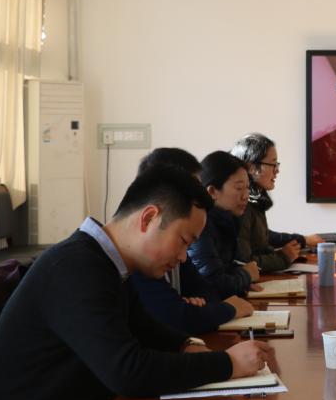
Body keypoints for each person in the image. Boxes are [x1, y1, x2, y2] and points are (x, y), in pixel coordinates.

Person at [0, 167, 274, 400]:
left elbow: (144, 327)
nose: (183, 257)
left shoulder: (107, 263)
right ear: (148, 218)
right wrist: (227, 364)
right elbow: (127, 371)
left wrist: (186, 344)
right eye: (183, 241)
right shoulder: (76, 268)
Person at [130, 148, 253, 333]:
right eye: (193, 189)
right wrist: (229, 308)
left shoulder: (179, 242)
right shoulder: (140, 253)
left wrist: (195, 306)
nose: (201, 196)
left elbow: (207, 291)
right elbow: (177, 317)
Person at [230, 133, 322, 273]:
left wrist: (300, 241)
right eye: (273, 164)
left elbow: (263, 236)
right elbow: (244, 262)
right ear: (251, 167)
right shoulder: (242, 206)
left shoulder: (254, 202)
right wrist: (283, 257)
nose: (277, 170)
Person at [188, 151, 261, 298]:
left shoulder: (228, 220)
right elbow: (213, 285)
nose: (246, 196)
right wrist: (246, 275)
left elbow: (227, 268)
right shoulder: (201, 225)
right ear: (212, 191)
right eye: (239, 188)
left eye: (247, 188)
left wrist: (242, 281)